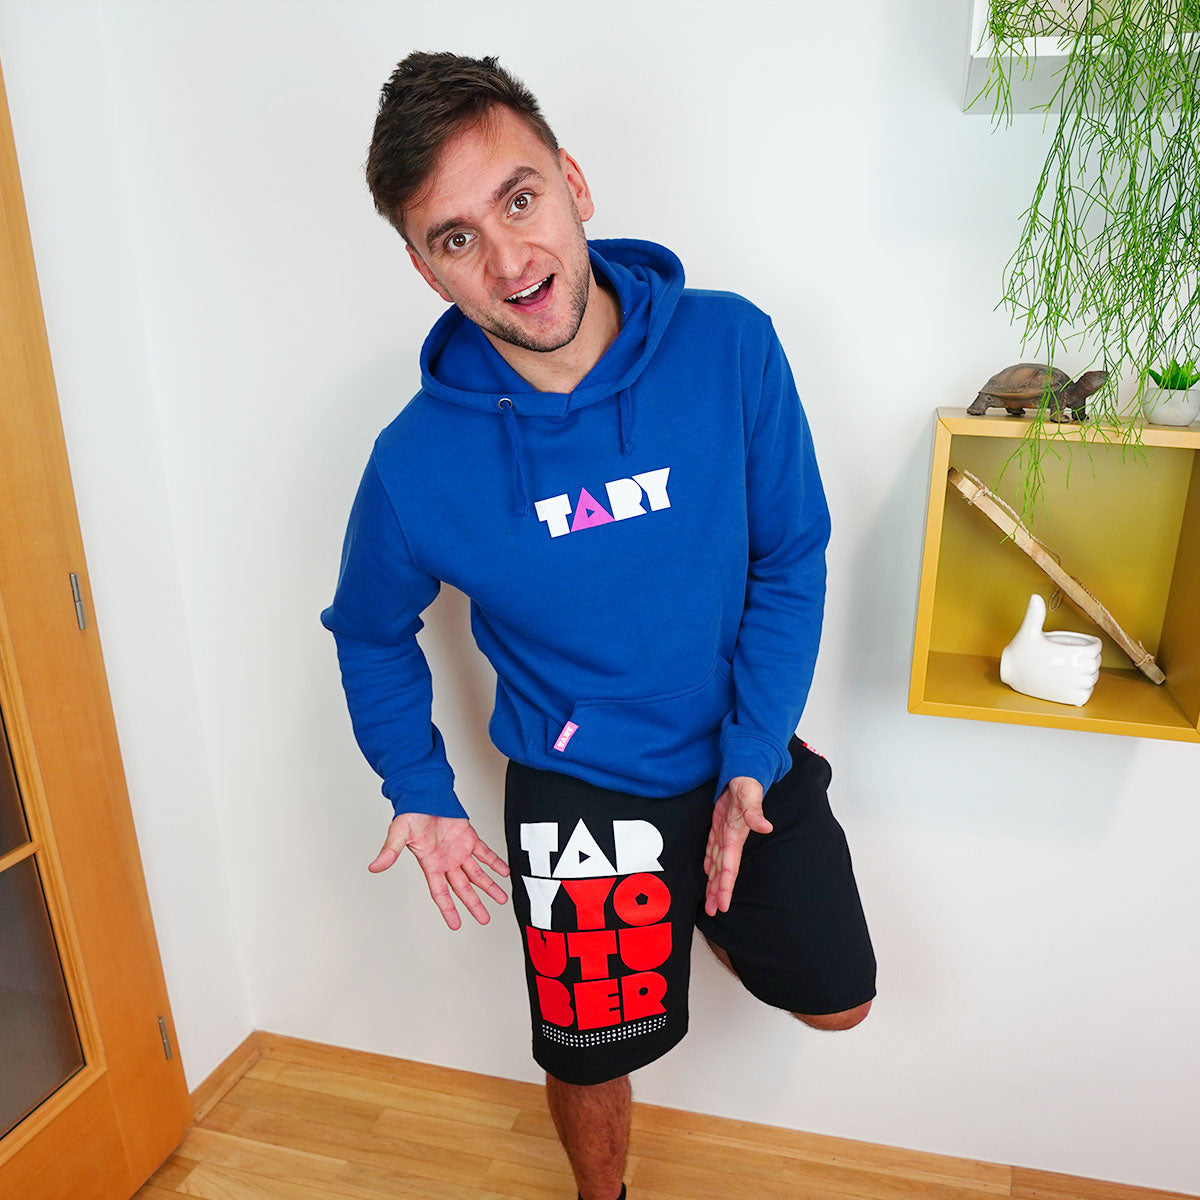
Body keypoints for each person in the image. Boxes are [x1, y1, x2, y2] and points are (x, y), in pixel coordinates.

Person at [321, 51, 876, 1200]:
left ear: (573, 182)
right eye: (456, 237)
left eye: (519, 199)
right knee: (589, 1055)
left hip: (737, 747)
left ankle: (696, 911)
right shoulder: (415, 464)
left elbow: (790, 555)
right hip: (579, 792)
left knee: (841, 1004)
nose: (509, 261)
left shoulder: (731, 347)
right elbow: (370, 629)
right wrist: (417, 784)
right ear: (424, 267)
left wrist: (753, 754)